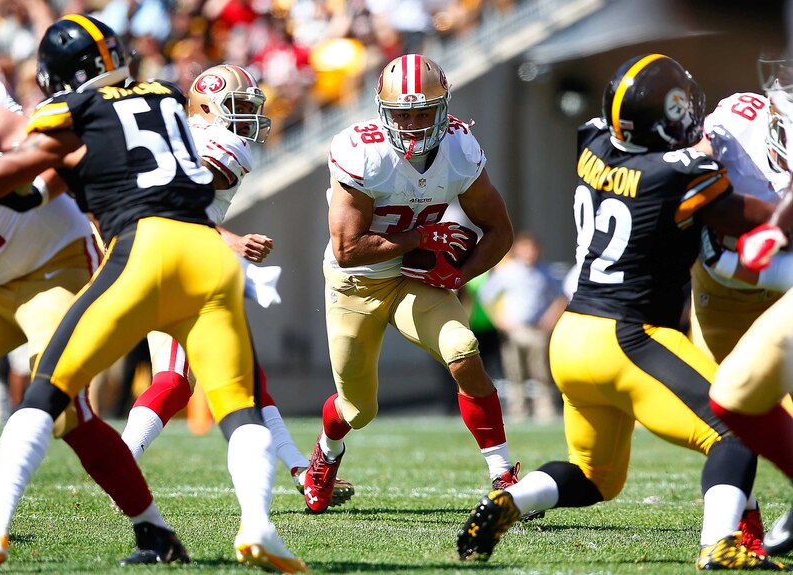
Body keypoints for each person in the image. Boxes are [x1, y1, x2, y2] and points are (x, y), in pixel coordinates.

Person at [0, 14, 305, 573]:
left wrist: (9, 189)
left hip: (143, 249)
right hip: (209, 258)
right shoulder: (169, 97)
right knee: (238, 404)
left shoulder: (71, 110)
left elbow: (16, 186)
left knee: (48, 392)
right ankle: (259, 526)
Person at [456, 53, 790, 571]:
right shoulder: (683, 174)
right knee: (738, 425)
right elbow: (751, 218)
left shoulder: (590, 141)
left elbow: (630, 143)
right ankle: (719, 545)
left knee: (594, 478)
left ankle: (510, 501)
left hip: (570, 338)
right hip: (630, 335)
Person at [0, 67, 186, 568]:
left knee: (65, 404)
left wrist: (38, 190)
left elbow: (45, 144)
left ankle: (153, 531)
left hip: (54, 264)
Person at [119, 63, 354, 506]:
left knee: (233, 379)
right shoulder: (216, 146)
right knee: (175, 381)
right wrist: (233, 241)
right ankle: (121, 465)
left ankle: (303, 472)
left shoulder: (185, 138)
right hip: (173, 263)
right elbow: (173, 212)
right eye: (238, 106)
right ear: (207, 108)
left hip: (164, 259)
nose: (248, 115)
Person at [302, 53, 518, 515]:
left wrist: (458, 275)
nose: (415, 123)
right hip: (356, 286)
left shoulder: (460, 149)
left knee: (463, 350)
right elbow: (348, 249)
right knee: (358, 409)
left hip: (415, 281)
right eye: (404, 113)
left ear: (444, 108)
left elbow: (501, 232)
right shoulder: (364, 153)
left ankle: (503, 475)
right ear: (384, 112)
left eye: (425, 111)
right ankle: (326, 452)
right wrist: (421, 235)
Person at [710, 51, 793, 558]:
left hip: (779, 290)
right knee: (725, 412)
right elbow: (701, 205)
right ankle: (740, 523)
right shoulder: (736, 122)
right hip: (721, 294)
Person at [479, 231, 566, 422]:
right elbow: (487, 296)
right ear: (517, 250)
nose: (530, 253)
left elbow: (561, 297)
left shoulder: (546, 271)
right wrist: (499, 320)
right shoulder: (508, 271)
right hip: (514, 330)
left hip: (538, 329)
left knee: (541, 371)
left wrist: (550, 319)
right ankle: (518, 408)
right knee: (515, 371)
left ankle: (544, 408)